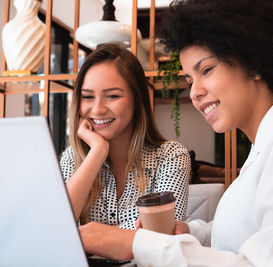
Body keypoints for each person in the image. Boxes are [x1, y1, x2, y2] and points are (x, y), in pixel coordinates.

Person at [79, 0, 273, 266]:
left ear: (254, 61)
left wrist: (137, 244)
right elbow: (241, 238)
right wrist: (191, 232)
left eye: (206, 70)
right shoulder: (269, 149)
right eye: (189, 79)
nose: (195, 93)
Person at [60, 43, 191, 230]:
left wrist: (86, 236)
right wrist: (97, 152)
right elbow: (57, 227)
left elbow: (161, 231)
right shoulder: (71, 159)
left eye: (112, 96)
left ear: (137, 100)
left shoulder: (171, 156)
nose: (97, 109)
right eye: (88, 97)